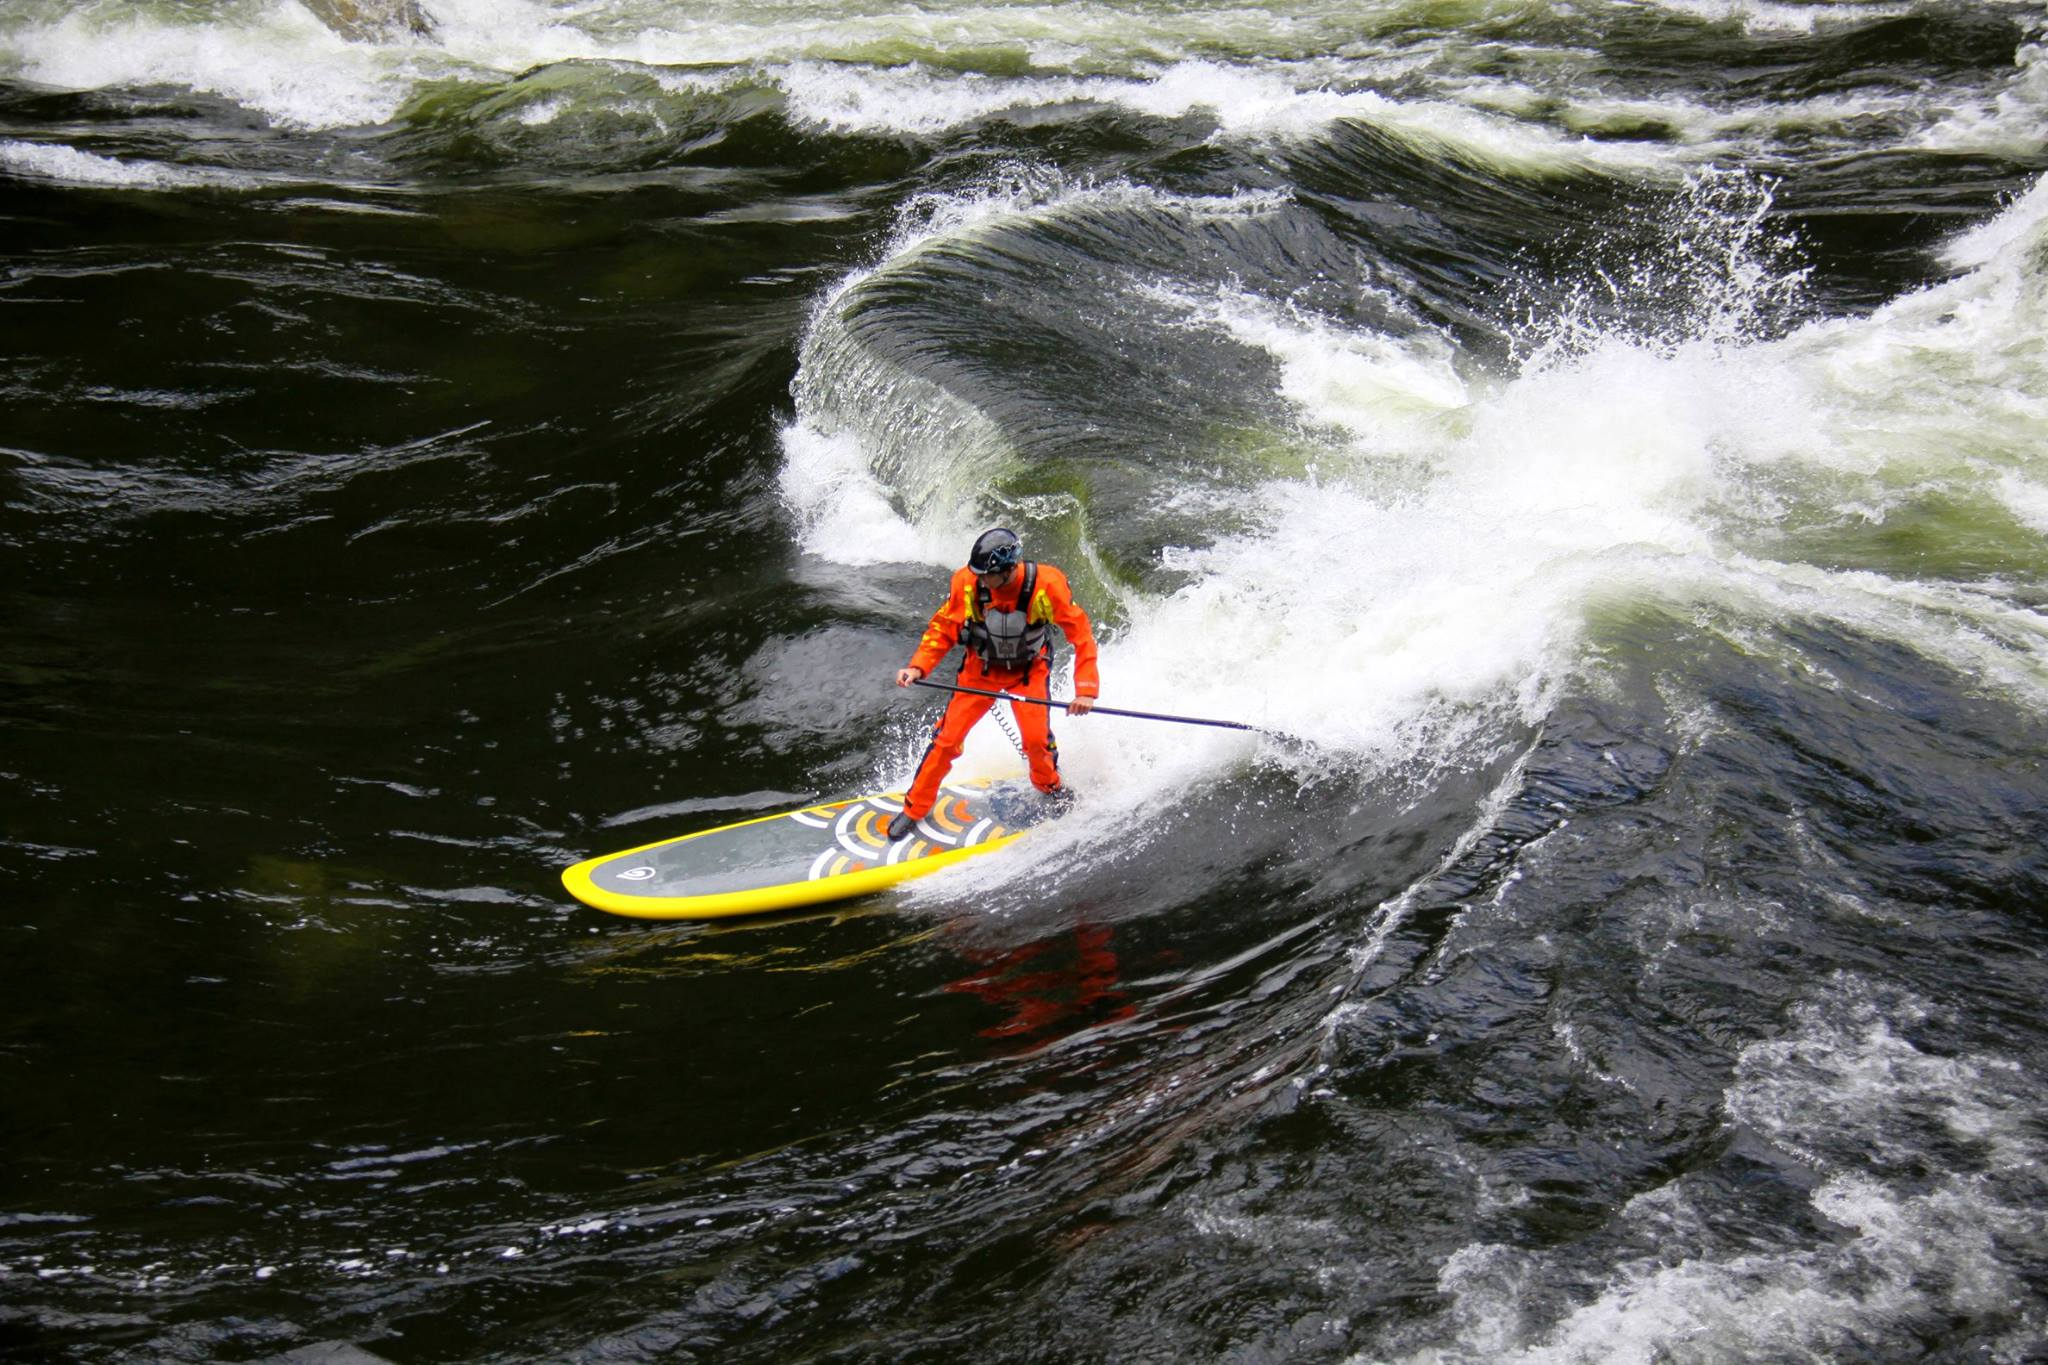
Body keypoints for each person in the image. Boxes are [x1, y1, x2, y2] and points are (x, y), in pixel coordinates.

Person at [889, 527, 1099, 839]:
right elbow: (943, 627)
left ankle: (1049, 786)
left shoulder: (1048, 584)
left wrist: (1086, 691)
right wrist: (918, 667)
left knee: (1036, 741)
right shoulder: (966, 582)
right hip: (980, 670)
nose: (980, 580)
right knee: (946, 740)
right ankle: (914, 808)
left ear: (1008, 569)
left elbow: (1081, 635)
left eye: (987, 575)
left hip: (1029, 671)